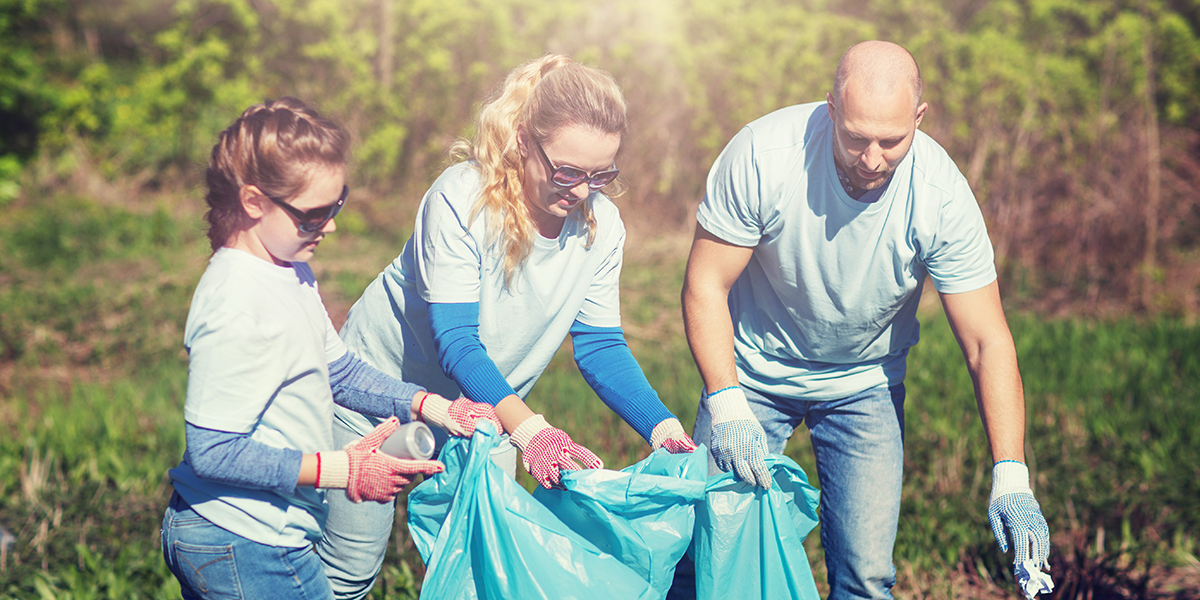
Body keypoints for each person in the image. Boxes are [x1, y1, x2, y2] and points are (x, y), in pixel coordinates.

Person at [316, 53, 698, 599]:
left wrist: (661, 426)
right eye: (567, 171)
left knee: (483, 573)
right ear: (523, 141)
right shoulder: (462, 198)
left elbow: (599, 346)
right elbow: (457, 343)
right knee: (349, 570)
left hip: (487, 413)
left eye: (601, 175)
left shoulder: (601, 226)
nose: (583, 191)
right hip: (380, 399)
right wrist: (530, 429)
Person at [679, 41, 1051, 599]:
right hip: (752, 376)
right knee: (710, 555)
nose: (872, 158)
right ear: (830, 108)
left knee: (866, 576)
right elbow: (706, 284)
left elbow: (986, 340)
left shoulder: (940, 195)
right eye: (855, 137)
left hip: (865, 386)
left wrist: (1011, 474)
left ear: (919, 120)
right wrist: (726, 402)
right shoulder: (763, 155)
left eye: (892, 141)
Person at [161, 97, 497, 599]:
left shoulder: (288, 270)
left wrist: (433, 407)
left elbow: (340, 374)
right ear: (254, 202)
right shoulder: (236, 301)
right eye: (314, 214)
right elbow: (213, 452)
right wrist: (340, 469)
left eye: (336, 205)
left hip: (260, 535)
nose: (331, 226)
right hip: (245, 540)